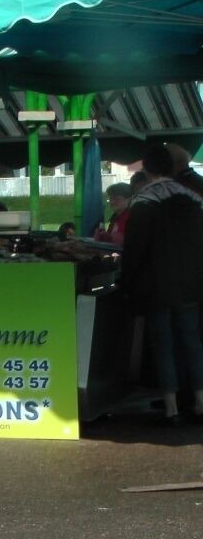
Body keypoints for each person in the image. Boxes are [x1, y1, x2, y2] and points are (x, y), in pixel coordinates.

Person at [122, 146, 203, 423]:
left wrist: (128, 282)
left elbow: (135, 249)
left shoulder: (144, 200)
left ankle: (171, 407)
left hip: (156, 285)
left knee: (163, 343)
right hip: (191, 282)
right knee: (192, 341)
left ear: (146, 169)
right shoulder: (193, 198)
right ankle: (200, 400)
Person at [94, 182, 132, 247]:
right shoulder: (115, 217)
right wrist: (105, 237)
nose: (112, 202)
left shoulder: (132, 217)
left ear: (129, 199)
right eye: (111, 198)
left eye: (117, 199)